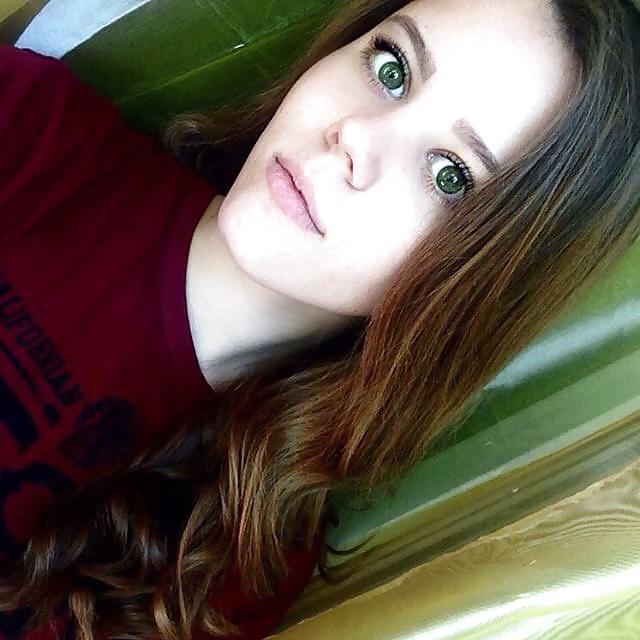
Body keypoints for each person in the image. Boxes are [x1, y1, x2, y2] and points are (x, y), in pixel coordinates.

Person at [1, 0, 639, 638]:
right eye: (392, 69)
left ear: (478, 280)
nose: (356, 135)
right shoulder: (29, 125)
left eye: (450, 176)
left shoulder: (242, 557)